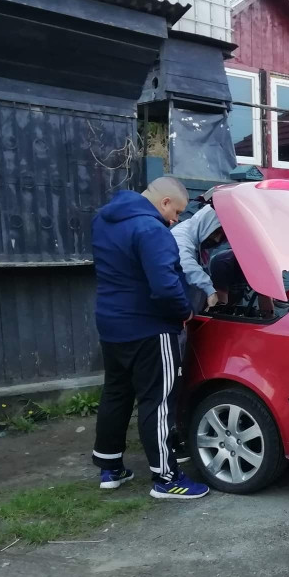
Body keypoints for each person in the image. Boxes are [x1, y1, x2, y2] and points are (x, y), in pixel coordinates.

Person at [90, 177, 210, 500]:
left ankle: (110, 467)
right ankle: (166, 478)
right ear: (165, 202)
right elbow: (165, 286)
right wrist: (184, 311)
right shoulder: (152, 229)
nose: (175, 221)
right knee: (157, 401)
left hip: (111, 326)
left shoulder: (102, 219)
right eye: (177, 213)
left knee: (116, 392)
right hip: (150, 329)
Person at [172, 204, 228, 313]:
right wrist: (210, 290)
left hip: (188, 311)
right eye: (216, 232)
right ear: (207, 224)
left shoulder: (202, 242)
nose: (217, 239)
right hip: (175, 313)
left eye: (222, 235)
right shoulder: (180, 237)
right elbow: (187, 265)